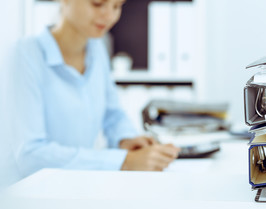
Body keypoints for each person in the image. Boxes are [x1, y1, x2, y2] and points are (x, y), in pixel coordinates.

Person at [10, 0, 180, 178]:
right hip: (30, 195)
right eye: (97, 4)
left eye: (116, 6)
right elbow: (30, 155)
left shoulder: (96, 50)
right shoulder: (24, 56)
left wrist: (126, 139)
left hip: (78, 187)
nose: (109, 16)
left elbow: (112, 114)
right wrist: (124, 161)